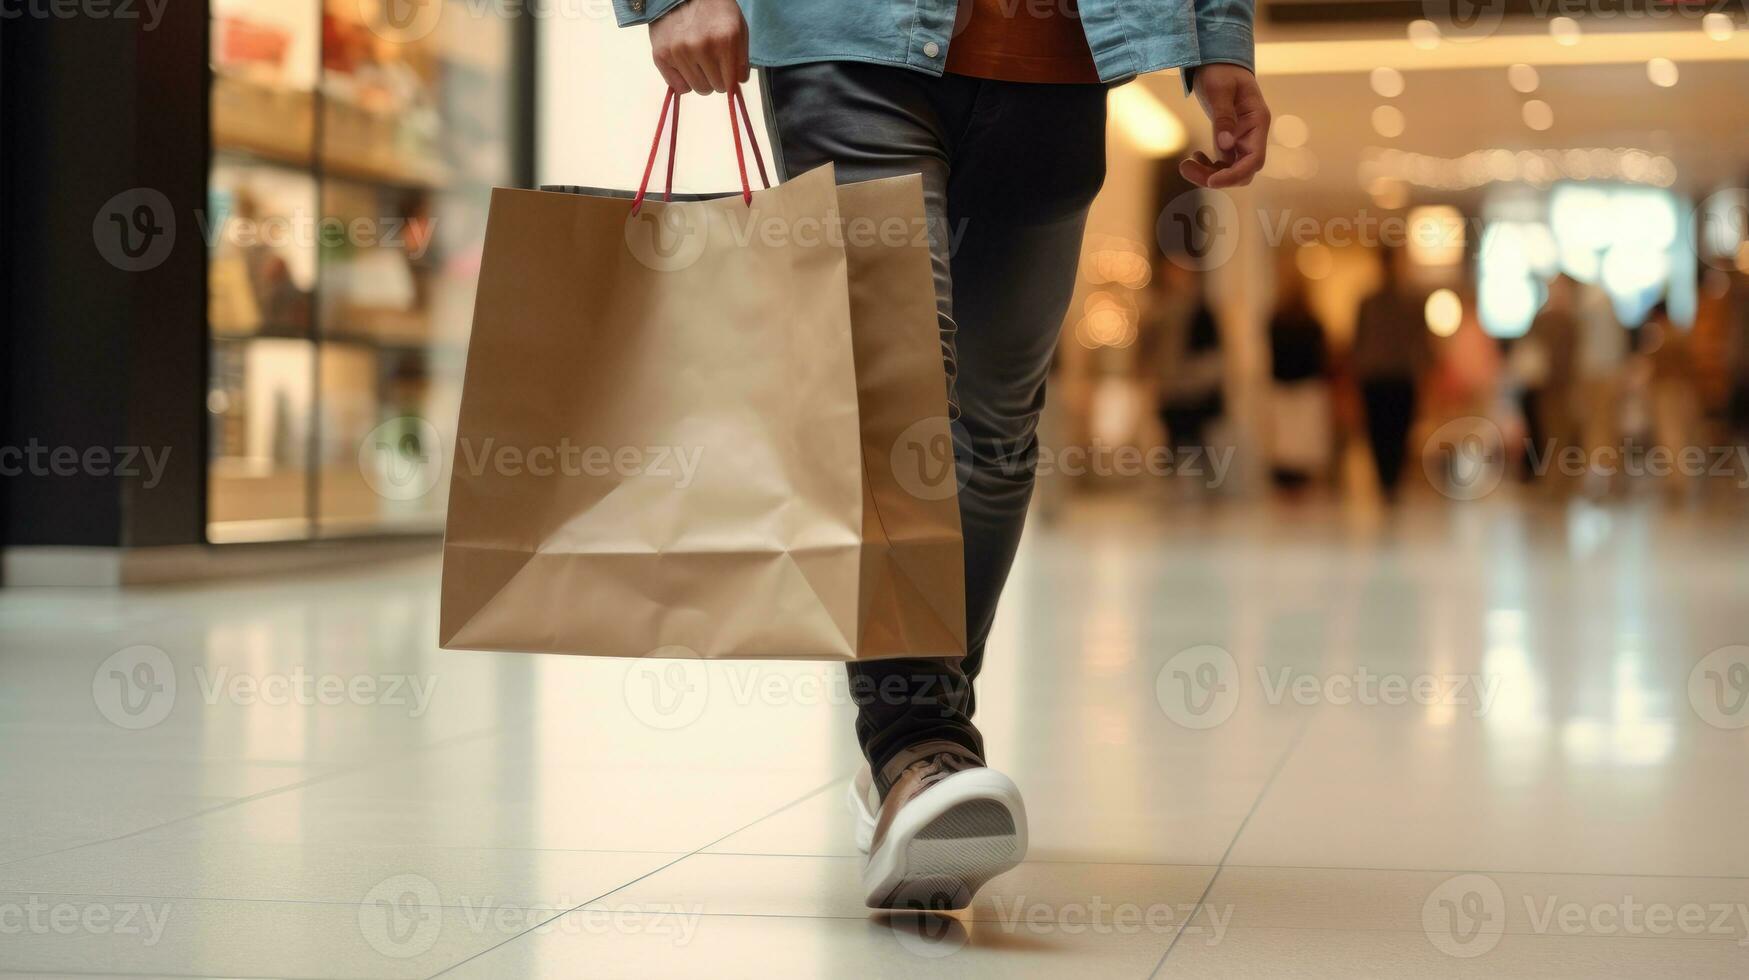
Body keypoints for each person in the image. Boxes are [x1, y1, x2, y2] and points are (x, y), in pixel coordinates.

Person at [613, 0, 1270, 910]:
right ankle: (916, 742)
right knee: (898, 391)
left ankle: (912, 761)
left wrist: (1219, 41)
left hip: (1057, 62)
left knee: (996, 424)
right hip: (847, 44)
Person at [1349, 246, 1430, 503]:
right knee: (1380, 431)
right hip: (1378, 377)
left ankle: (1391, 480)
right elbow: (1358, 342)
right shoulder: (1369, 302)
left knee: (1395, 431)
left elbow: (1421, 342)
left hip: (1398, 377)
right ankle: (1387, 481)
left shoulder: (1410, 301)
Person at [1137, 259, 1225, 490]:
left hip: (1194, 386)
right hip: (1170, 385)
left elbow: (1212, 353)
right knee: (1172, 436)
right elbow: (1149, 347)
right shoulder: (1159, 309)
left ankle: (1207, 484)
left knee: (1196, 436)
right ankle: (1173, 486)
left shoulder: (1201, 310)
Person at [1265, 259, 1331, 492]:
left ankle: (1291, 483)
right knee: (1298, 442)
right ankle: (1298, 483)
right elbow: (1323, 356)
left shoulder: (1278, 320)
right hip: (1303, 387)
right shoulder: (1311, 322)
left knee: (1289, 442)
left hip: (1287, 386)